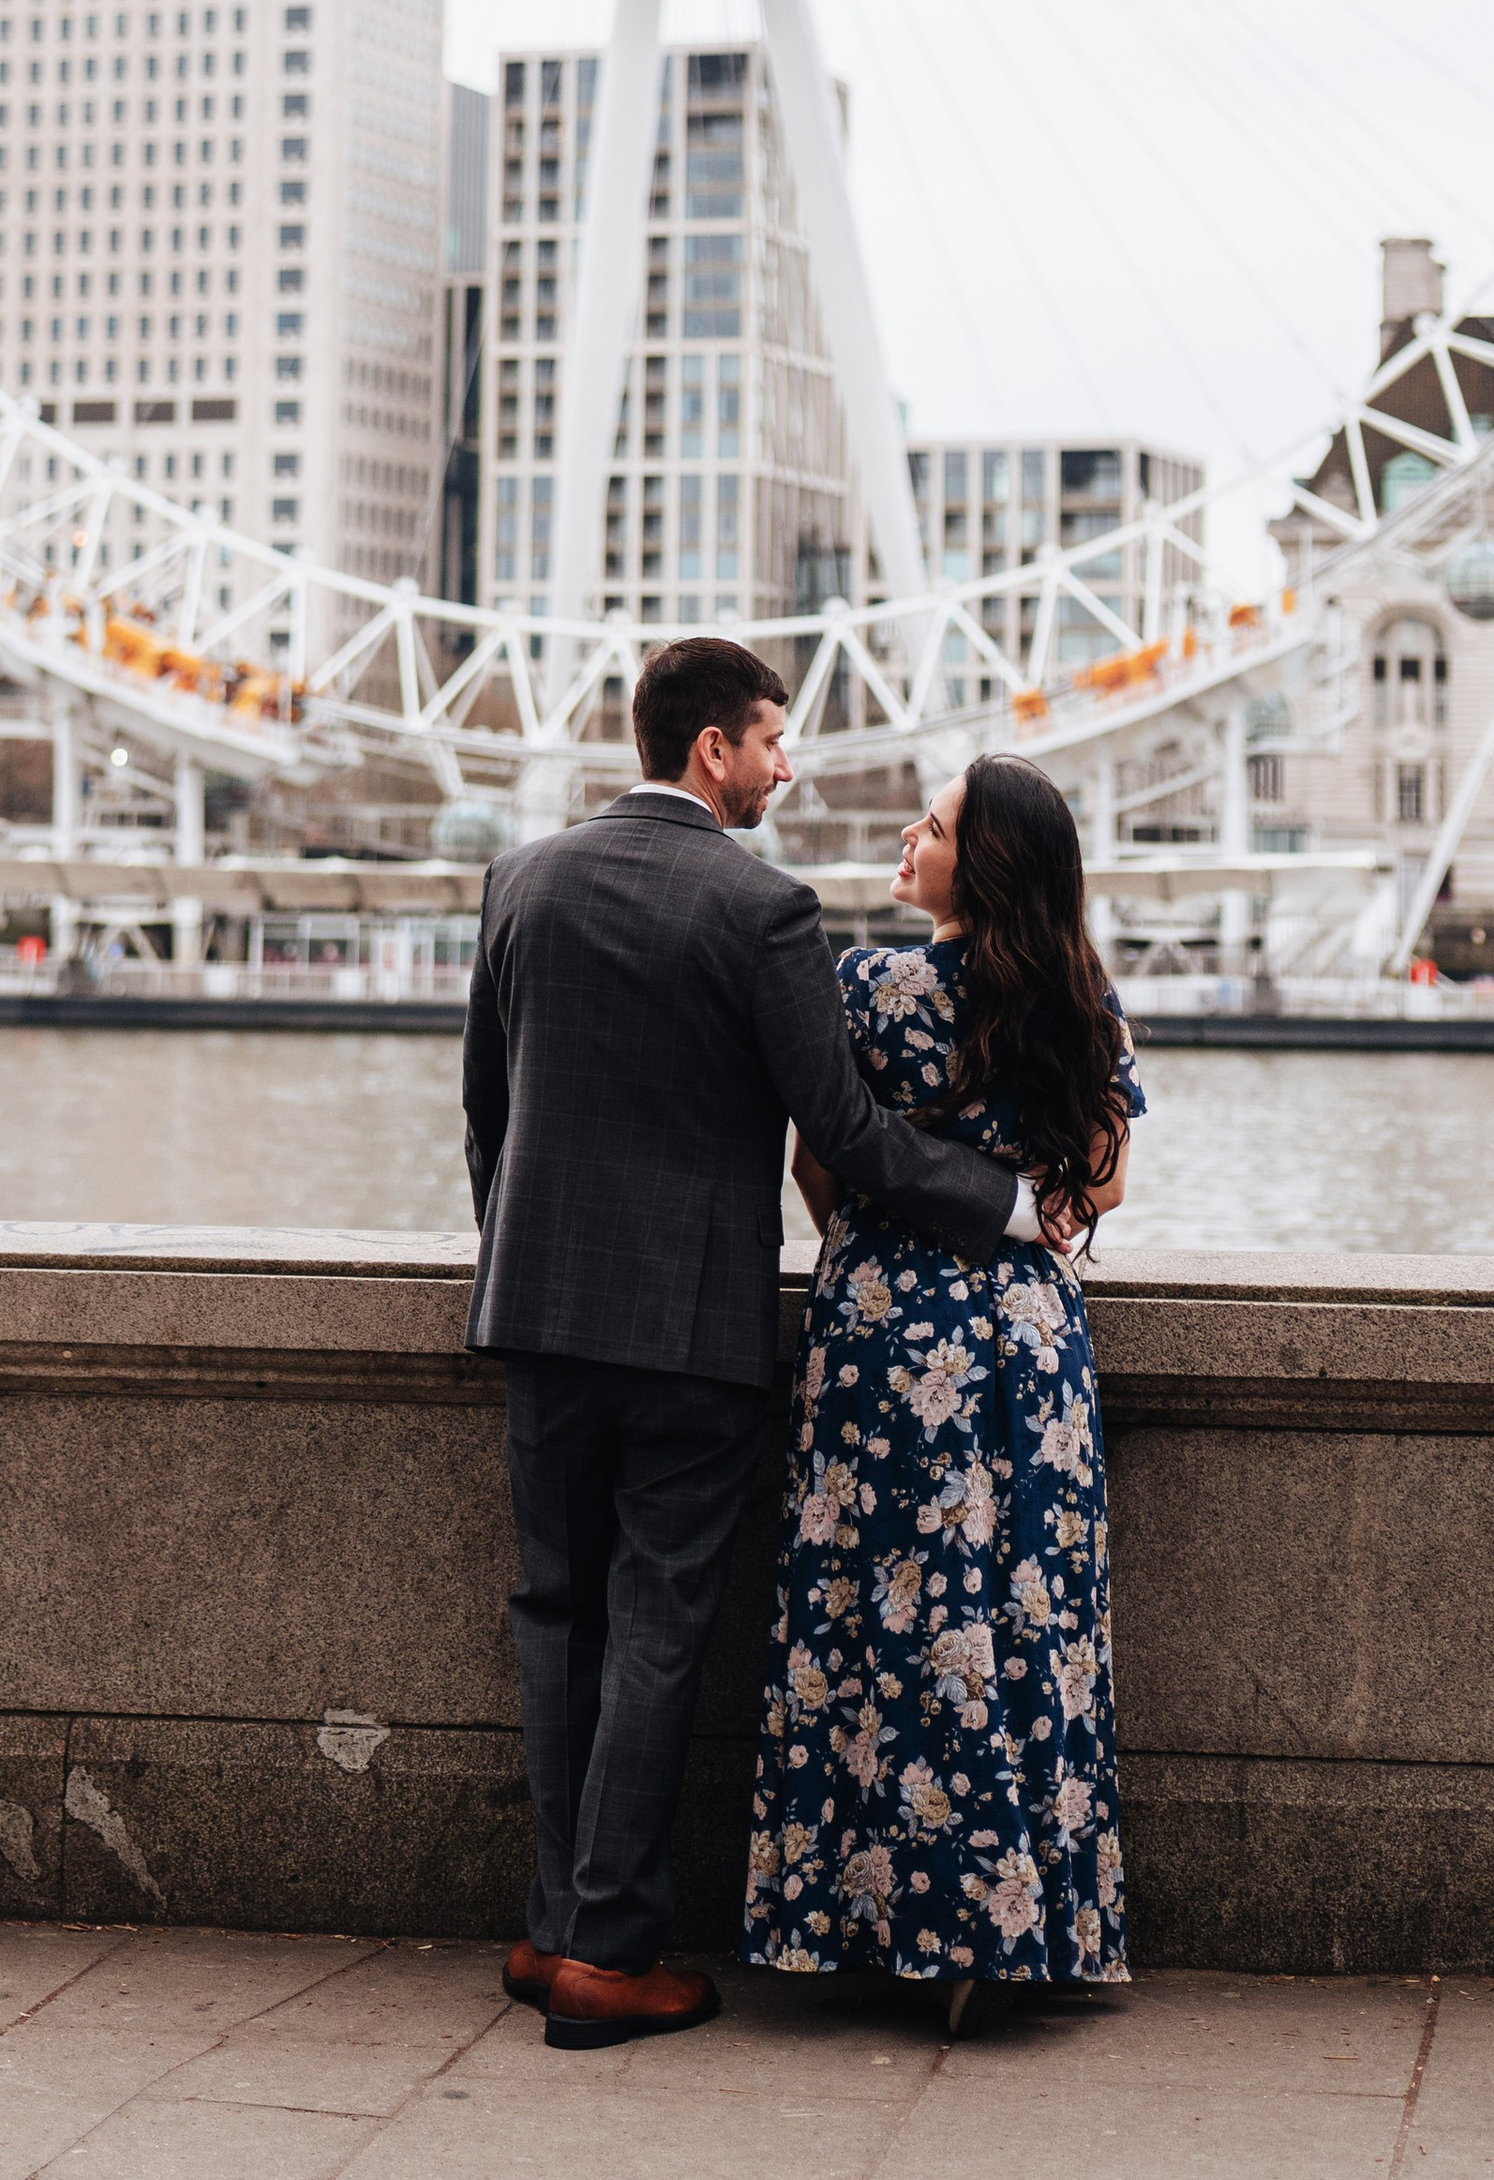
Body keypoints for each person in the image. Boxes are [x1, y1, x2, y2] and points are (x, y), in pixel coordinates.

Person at [463, 637, 1062, 2055]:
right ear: (713, 749)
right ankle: (610, 1952)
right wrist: (1010, 1204)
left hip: (537, 1312)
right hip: (687, 1330)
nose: (788, 768)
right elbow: (843, 1131)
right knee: (659, 1626)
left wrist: (516, 1260)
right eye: (775, 742)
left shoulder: (519, 879)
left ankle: (552, 1930)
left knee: (558, 1616)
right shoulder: (762, 907)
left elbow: (488, 1114)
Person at [742, 752, 1145, 2028]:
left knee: (880, 1620)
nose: (910, 836)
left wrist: (879, 1240)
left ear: (983, 868)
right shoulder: (1080, 996)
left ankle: (878, 1917)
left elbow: (816, 1162)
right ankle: (1023, 1922)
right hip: (1028, 1341)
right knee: (1024, 1616)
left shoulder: (867, 986)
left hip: (883, 1331)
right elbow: (1103, 1179)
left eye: (934, 825)